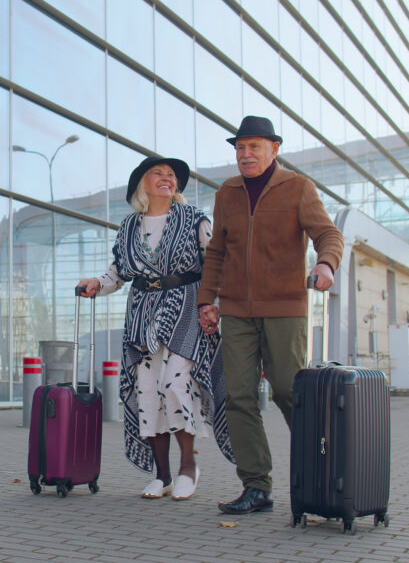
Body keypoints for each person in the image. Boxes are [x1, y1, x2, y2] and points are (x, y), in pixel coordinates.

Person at [197, 116, 344, 515]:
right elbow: (217, 252)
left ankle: (325, 466)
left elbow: (327, 234)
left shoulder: (298, 188)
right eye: (240, 148)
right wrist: (206, 300)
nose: (245, 154)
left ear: (273, 149)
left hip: (284, 308)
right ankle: (256, 486)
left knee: (287, 390)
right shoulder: (227, 192)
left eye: (254, 147)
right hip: (238, 311)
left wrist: (326, 265)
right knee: (237, 396)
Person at [78, 156, 235, 501]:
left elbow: (215, 263)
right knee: (148, 390)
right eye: (157, 174)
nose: (166, 179)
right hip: (142, 311)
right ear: (142, 184)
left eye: (171, 176)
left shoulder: (195, 219)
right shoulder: (129, 227)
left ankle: (188, 469)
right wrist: (96, 283)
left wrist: (216, 305)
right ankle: (161, 475)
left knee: (176, 383)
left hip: (186, 306)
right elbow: (117, 274)